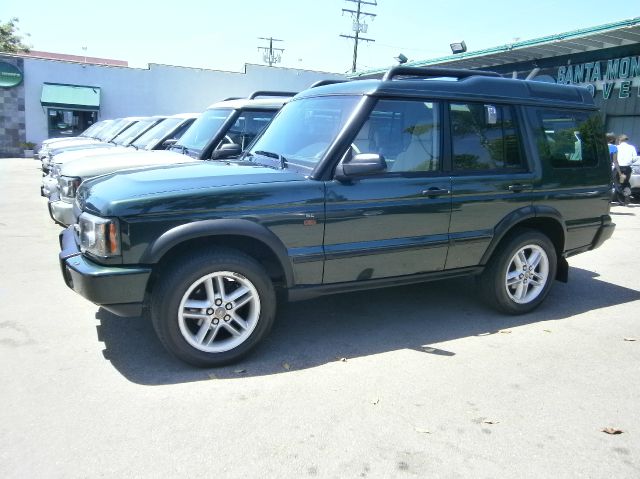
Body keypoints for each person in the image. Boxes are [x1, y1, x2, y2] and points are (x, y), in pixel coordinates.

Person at [614, 134, 637, 205]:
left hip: (619, 167)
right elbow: (634, 158)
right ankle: (627, 193)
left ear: (620, 140)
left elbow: (614, 159)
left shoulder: (616, 147)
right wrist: (630, 161)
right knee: (626, 182)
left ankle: (622, 198)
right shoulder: (632, 147)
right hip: (627, 168)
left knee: (617, 182)